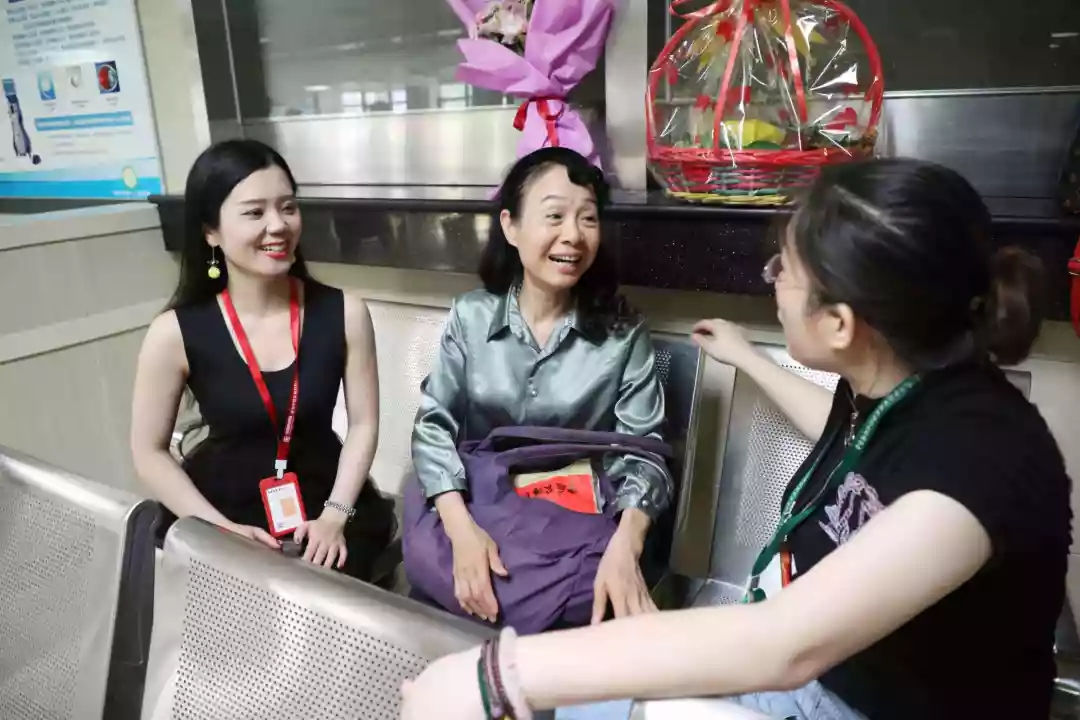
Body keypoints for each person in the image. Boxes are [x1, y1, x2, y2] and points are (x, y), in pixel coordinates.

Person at [400, 158, 1072, 720]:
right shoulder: (891, 386)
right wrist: (749, 358)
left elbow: (784, 644)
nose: (770, 280)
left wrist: (497, 676)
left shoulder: (983, 458)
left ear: (840, 324)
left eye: (784, 270)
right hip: (818, 677)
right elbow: (853, 440)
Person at [408, 146, 671, 627]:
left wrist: (626, 545)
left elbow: (646, 454)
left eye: (588, 218)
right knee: (430, 537)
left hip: (570, 520)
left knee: (601, 581)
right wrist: (462, 533)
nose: (573, 235)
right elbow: (433, 428)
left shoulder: (623, 334)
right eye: (554, 216)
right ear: (510, 226)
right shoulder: (471, 316)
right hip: (481, 500)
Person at [130, 139, 394, 582]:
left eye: (288, 207)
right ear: (210, 231)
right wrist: (219, 529)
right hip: (220, 510)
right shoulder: (173, 333)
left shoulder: (345, 312)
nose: (278, 225)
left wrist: (335, 515)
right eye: (254, 212)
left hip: (329, 505)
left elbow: (364, 424)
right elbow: (148, 452)